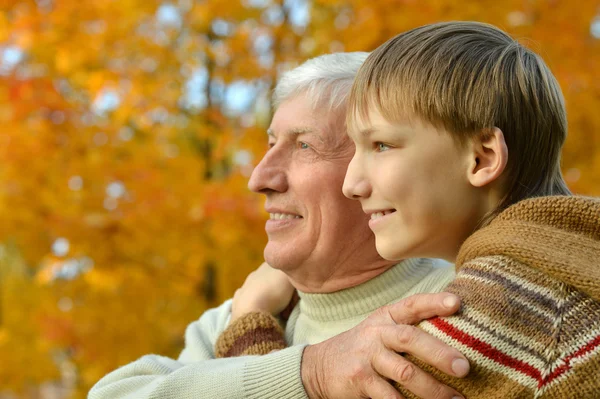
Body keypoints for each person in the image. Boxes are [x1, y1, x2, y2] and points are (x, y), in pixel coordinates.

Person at [215, 21, 600, 398]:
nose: (353, 184)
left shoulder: (491, 313)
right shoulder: (563, 265)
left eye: (381, 145)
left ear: (482, 159)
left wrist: (250, 325)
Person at [88, 52, 471, 399]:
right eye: (270, 144)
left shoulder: (452, 309)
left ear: (376, 166)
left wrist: (249, 346)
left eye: (305, 146)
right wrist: (309, 370)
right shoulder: (239, 312)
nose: (260, 178)